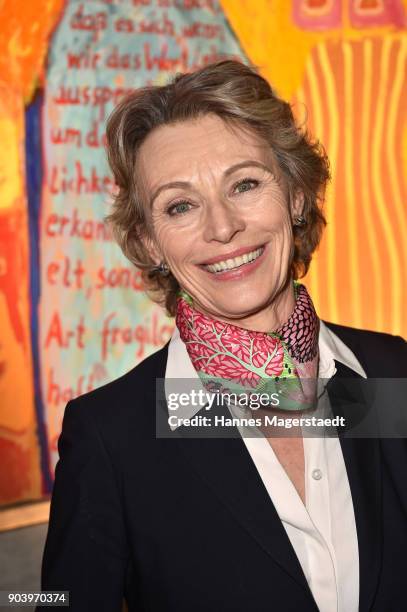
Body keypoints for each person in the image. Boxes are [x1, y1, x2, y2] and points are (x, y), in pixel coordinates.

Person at [38, 60, 407, 612]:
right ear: (149, 242)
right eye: (180, 205)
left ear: (297, 196)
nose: (222, 227)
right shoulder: (111, 437)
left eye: (246, 183)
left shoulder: (390, 373)